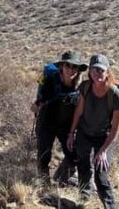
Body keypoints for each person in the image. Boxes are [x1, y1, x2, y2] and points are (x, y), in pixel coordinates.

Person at [67, 54, 119, 209]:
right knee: (83, 166)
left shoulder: (115, 94)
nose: (97, 73)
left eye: (100, 70)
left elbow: (115, 128)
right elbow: (78, 112)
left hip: (104, 137)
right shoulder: (85, 87)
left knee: (101, 174)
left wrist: (103, 150)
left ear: (107, 72)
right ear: (89, 71)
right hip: (84, 133)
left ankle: (110, 206)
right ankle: (83, 201)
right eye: (93, 69)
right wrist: (72, 133)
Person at [32, 50, 88, 185]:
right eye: (68, 65)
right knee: (44, 153)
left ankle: (60, 178)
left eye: (75, 66)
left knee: (73, 155)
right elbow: (40, 99)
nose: (71, 69)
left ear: (79, 69)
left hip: (66, 125)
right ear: (61, 66)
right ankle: (44, 183)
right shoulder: (51, 79)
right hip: (47, 121)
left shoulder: (81, 86)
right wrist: (37, 104)